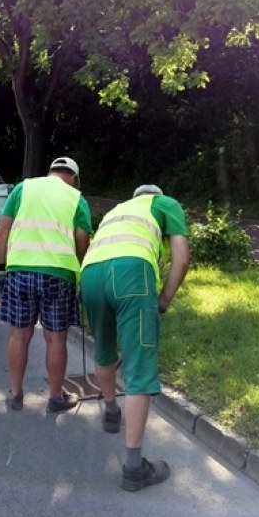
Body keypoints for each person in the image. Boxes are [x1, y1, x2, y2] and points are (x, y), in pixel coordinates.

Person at [79, 184, 190, 491]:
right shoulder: (166, 203)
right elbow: (181, 260)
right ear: (156, 194)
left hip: (90, 273)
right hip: (132, 272)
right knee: (139, 365)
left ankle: (111, 412)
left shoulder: (117, 211)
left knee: (103, 348)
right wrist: (163, 301)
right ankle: (133, 468)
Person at [0, 157, 93, 413]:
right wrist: (80, 270)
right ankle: (56, 398)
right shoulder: (76, 197)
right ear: (74, 177)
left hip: (20, 271)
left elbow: (3, 231)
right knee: (56, 339)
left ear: (50, 173)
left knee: (19, 334)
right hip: (58, 274)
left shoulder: (22, 188)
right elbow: (82, 241)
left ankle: (16, 394)